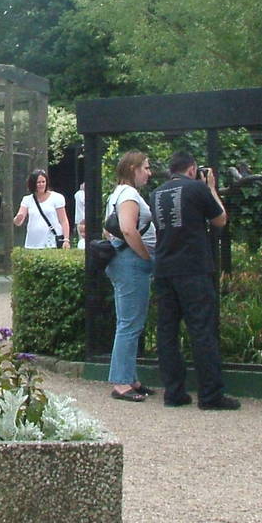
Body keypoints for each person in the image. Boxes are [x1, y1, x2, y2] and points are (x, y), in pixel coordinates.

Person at [152, 151, 240, 411]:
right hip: (193, 269)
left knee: (166, 332)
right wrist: (211, 188)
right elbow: (220, 219)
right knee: (202, 330)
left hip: (164, 269)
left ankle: (173, 392)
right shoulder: (196, 189)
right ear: (191, 169)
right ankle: (210, 395)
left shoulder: (156, 193)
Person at [103, 151, 158, 402]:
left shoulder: (117, 193)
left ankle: (129, 377)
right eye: (146, 168)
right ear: (133, 168)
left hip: (122, 261)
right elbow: (127, 228)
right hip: (131, 263)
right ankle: (122, 382)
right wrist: (146, 256)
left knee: (129, 322)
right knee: (129, 324)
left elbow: (110, 231)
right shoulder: (129, 195)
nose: (149, 172)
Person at [14, 168, 71, 249]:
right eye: (38, 182)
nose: (41, 184)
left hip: (51, 242)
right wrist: (18, 218)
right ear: (33, 184)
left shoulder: (57, 198)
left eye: (43, 182)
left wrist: (66, 239)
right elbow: (18, 221)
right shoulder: (27, 199)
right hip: (32, 243)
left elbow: (63, 220)